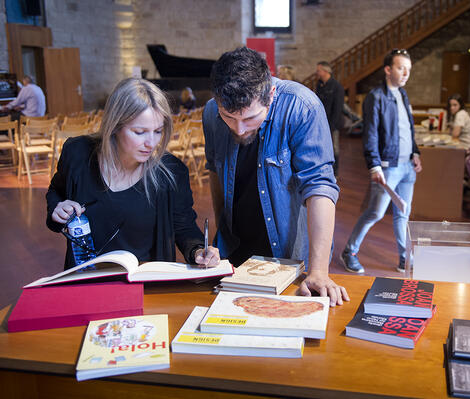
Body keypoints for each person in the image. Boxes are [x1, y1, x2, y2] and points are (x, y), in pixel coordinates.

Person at [203, 47, 349, 306]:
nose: (239, 128)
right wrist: (221, 233)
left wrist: (318, 272)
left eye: (250, 118)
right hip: (235, 249)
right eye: (228, 117)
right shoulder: (211, 112)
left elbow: (319, 187)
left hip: (287, 253)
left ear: (270, 94)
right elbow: (215, 170)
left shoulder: (302, 106)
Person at [46, 78, 219, 269]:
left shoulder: (171, 171)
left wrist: (198, 251)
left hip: (145, 282)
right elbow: (56, 191)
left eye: (158, 131)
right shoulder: (77, 153)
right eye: (140, 132)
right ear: (115, 127)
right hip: (85, 280)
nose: (151, 143)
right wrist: (58, 208)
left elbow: (184, 227)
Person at [341, 48, 422, 273]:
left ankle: (405, 258)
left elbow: (407, 130)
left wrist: (415, 153)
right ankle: (350, 251)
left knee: (403, 214)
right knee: (375, 212)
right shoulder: (375, 97)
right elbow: (371, 134)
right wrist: (374, 165)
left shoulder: (403, 94)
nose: (405, 73)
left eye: (408, 69)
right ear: (388, 69)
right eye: (400, 68)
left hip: (407, 166)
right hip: (388, 167)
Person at [315, 61, 345, 175]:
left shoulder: (337, 87)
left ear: (326, 71)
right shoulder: (319, 84)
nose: (316, 73)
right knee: (322, 146)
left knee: (334, 148)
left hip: (333, 124)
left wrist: (331, 126)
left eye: (318, 70)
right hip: (321, 122)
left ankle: (335, 171)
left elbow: (338, 109)